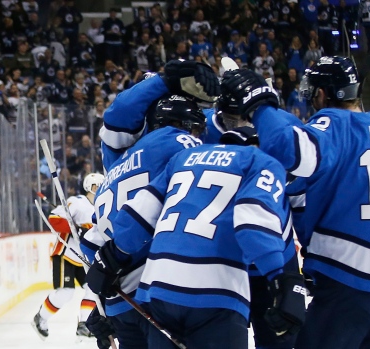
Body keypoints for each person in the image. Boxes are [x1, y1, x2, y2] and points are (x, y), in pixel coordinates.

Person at [220, 56, 370, 348]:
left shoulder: (333, 122)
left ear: (323, 93)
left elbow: (288, 147)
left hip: (351, 275)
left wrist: (258, 103)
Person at [86, 131, 306, 349]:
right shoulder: (262, 162)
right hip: (215, 292)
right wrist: (282, 280)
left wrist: (111, 258)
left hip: (157, 288)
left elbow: (138, 215)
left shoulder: (184, 158)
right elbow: (252, 227)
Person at [82, 95, 206, 349]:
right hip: (158, 292)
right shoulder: (171, 140)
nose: (197, 135)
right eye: (193, 128)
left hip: (121, 305)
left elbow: (91, 246)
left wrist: (101, 303)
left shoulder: (113, 172)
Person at [32, 173, 105, 340]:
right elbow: (54, 218)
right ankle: (40, 317)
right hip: (66, 254)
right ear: (92, 187)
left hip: (84, 259)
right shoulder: (77, 202)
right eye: (100, 186)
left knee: (92, 289)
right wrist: (77, 229)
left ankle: (84, 325)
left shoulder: (101, 208)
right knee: (66, 292)